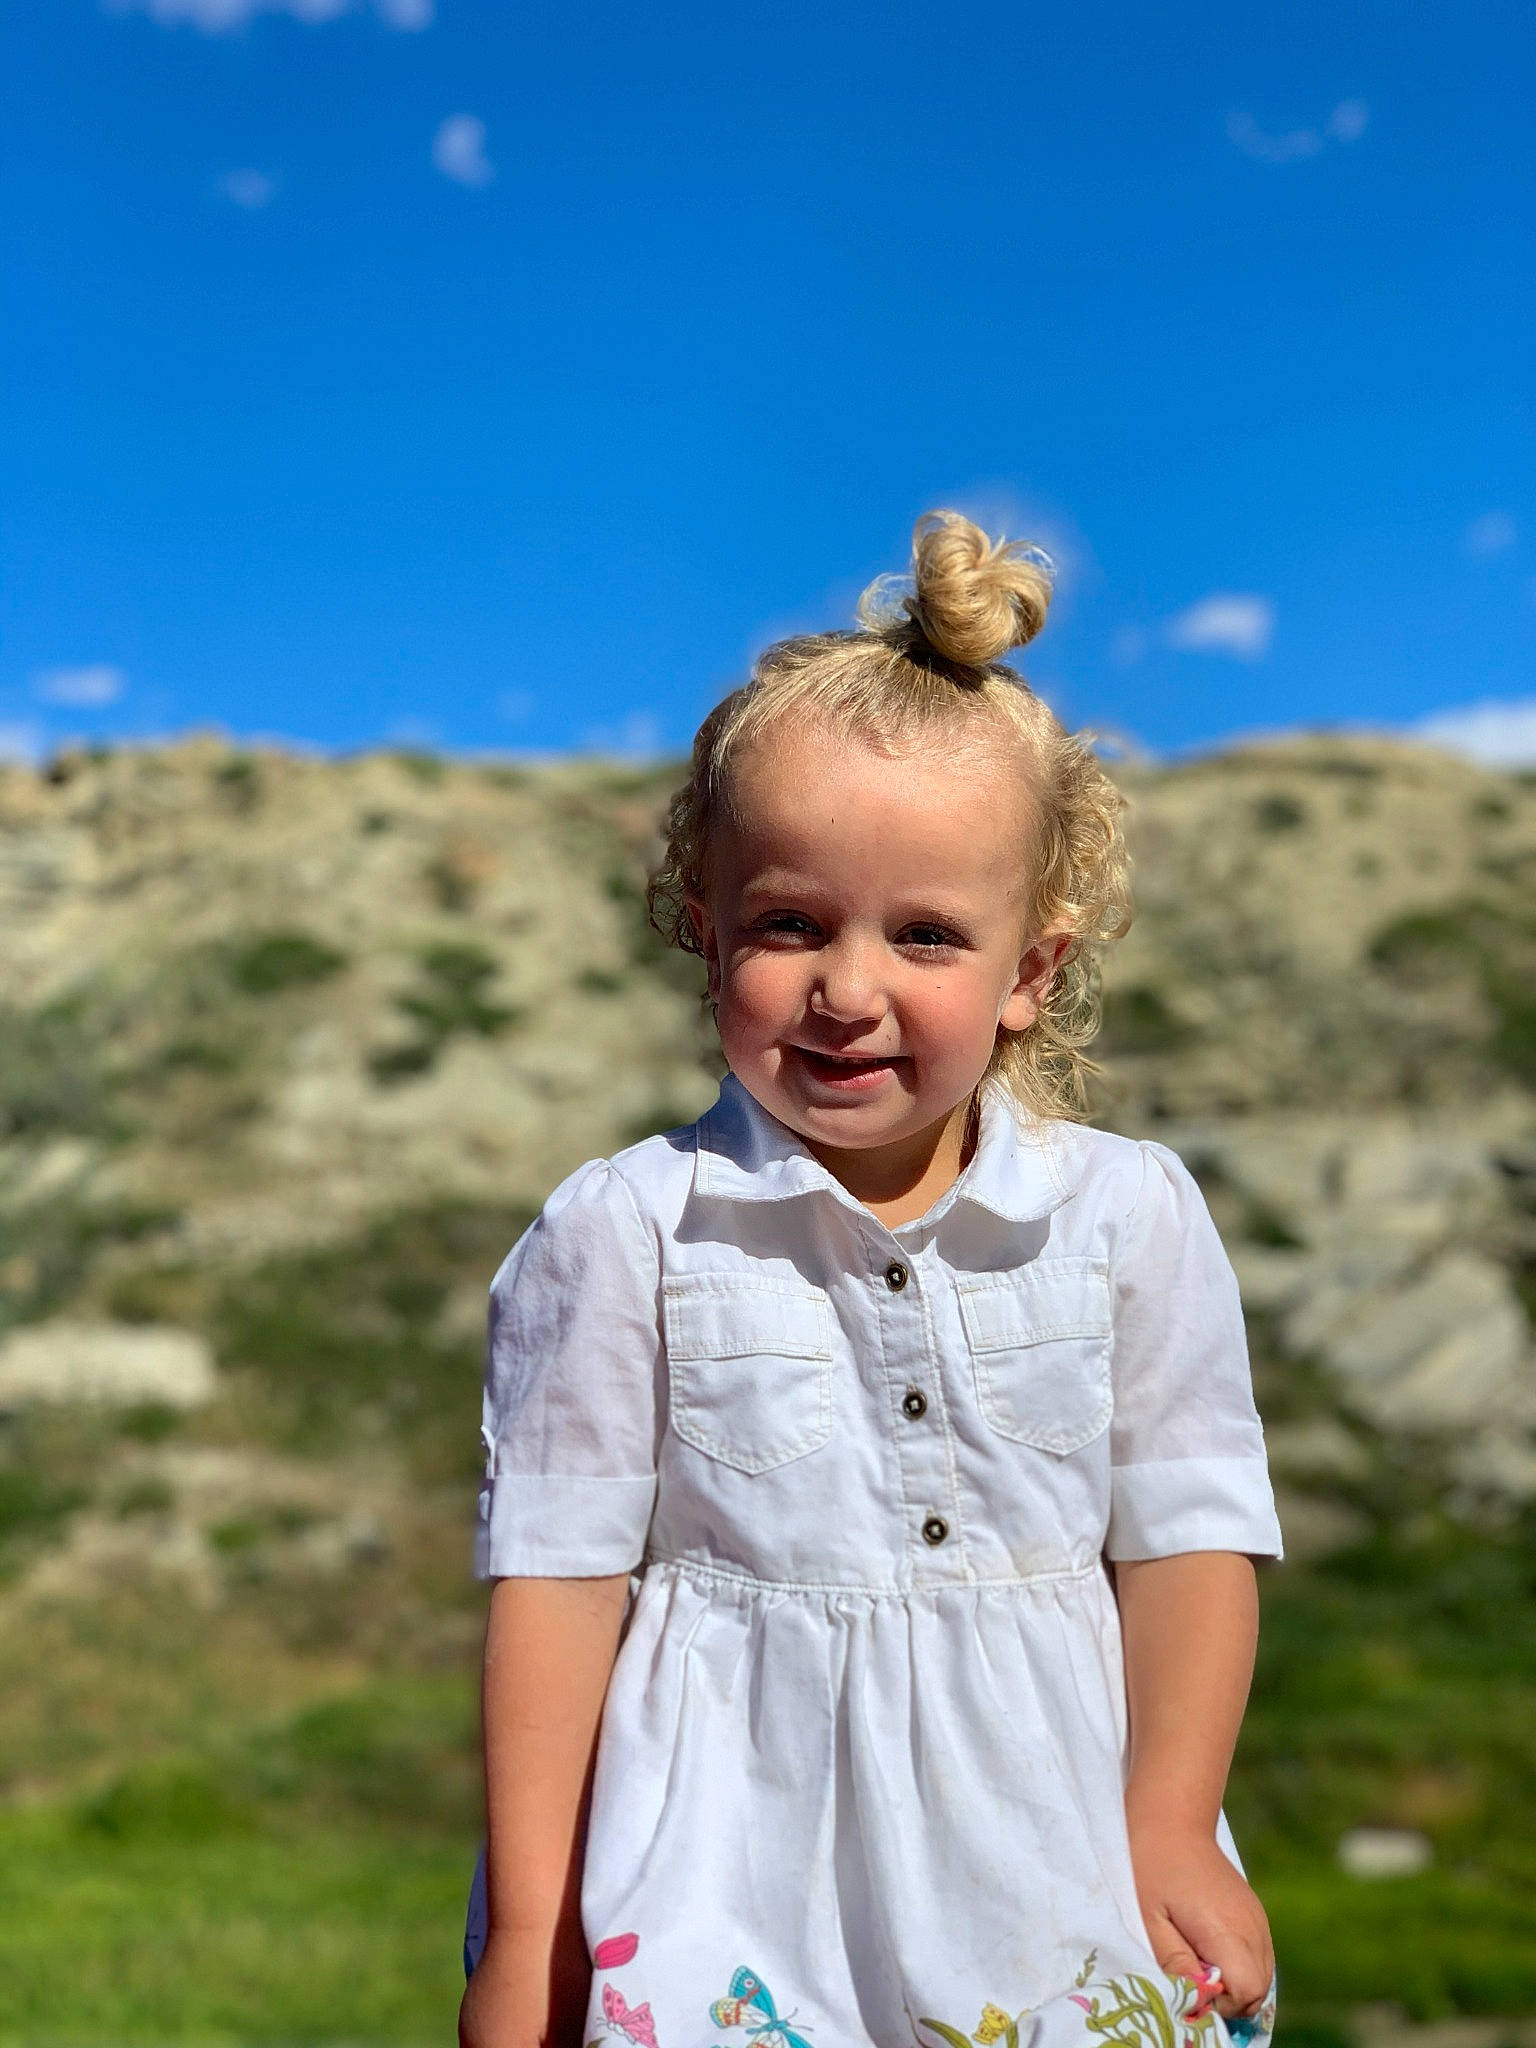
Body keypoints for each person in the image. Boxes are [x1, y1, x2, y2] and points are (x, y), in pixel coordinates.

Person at [458, 511, 1283, 2048]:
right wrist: (531, 1934)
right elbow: (555, 1594)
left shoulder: (1132, 1217)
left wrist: (1172, 1826)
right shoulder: (624, 1231)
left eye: (924, 934)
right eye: (789, 925)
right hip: (722, 1881)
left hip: (1054, 1869)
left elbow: (1189, 1546)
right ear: (704, 937)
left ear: (1030, 973)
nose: (849, 989)